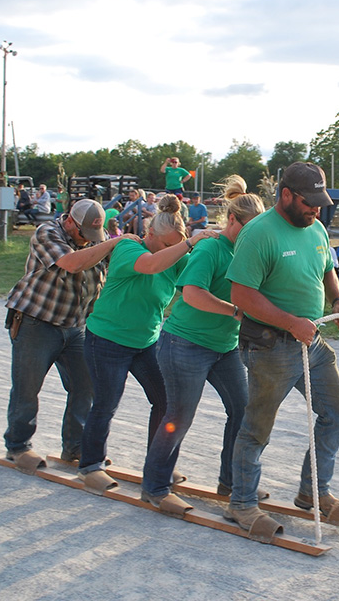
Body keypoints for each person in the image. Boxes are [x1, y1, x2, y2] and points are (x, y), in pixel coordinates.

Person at [225, 161, 339, 539]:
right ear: (286, 195)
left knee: (337, 411)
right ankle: (243, 504)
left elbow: (326, 266)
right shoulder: (259, 234)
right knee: (257, 427)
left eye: (320, 201)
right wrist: (290, 322)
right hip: (271, 346)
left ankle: (313, 492)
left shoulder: (314, 227)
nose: (317, 209)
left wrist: (337, 302)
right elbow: (242, 295)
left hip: (310, 341)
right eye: (309, 201)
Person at [77, 195, 218, 496]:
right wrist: (189, 244)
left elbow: (197, 280)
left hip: (145, 343)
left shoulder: (176, 257)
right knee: (106, 403)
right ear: (149, 233)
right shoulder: (129, 248)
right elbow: (152, 265)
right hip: (106, 340)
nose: (173, 252)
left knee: (166, 401)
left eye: (175, 245)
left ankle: (158, 464)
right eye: (167, 245)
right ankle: (91, 465)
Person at [140, 176, 264, 512]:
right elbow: (192, 294)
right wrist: (236, 311)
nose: (254, 235)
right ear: (232, 220)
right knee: (178, 416)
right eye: (248, 227)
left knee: (242, 409)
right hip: (184, 343)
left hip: (224, 347)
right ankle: (155, 486)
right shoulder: (211, 248)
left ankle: (231, 480)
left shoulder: (250, 251)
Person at [2, 199, 141, 471]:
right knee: (27, 388)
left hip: (76, 325)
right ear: (69, 222)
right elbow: (71, 263)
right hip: (35, 323)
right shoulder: (47, 233)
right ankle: (18, 446)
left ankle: (75, 447)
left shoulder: (95, 243)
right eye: (83, 234)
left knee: (85, 386)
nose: (88, 240)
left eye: (94, 236)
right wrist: (113, 242)